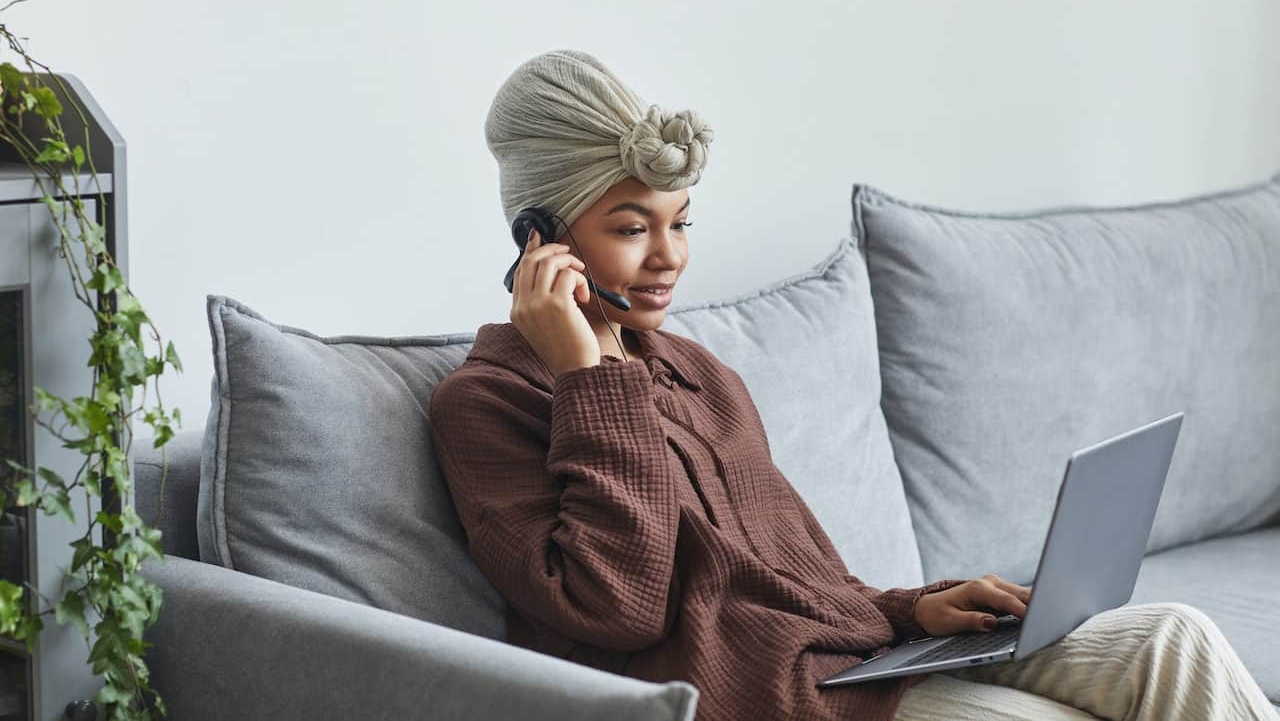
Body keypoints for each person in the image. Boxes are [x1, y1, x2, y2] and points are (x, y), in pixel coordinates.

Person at [427, 50, 1277, 721]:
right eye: (630, 227)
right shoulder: (486, 405)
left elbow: (797, 580)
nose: (670, 256)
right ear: (540, 237)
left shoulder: (696, 372)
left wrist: (915, 609)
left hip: (845, 659)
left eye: (681, 222)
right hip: (775, 701)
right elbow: (620, 608)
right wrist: (586, 376)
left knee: (1175, 635)